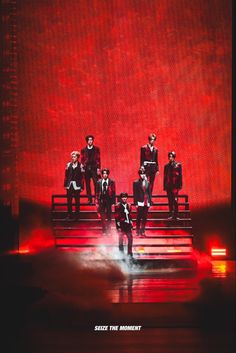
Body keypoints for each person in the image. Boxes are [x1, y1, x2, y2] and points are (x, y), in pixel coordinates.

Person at [64, 151, 84, 219]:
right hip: (69, 185)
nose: (73, 158)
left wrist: (82, 186)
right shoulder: (68, 165)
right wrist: (65, 184)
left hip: (77, 185)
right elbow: (66, 176)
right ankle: (69, 215)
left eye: (74, 157)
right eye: (72, 157)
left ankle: (77, 216)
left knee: (77, 202)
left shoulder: (80, 165)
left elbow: (82, 177)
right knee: (69, 201)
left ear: (77, 158)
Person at [81, 135, 101, 204]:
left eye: (91, 140)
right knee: (87, 184)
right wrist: (82, 168)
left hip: (94, 168)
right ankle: (89, 199)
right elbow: (82, 159)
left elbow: (98, 159)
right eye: (89, 140)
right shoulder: (83, 150)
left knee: (96, 183)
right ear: (87, 141)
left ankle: (96, 198)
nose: (90, 141)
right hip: (86, 169)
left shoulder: (96, 149)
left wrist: (98, 168)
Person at [95, 168, 116, 235]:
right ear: (102, 174)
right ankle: (104, 230)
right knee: (103, 216)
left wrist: (113, 202)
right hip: (101, 201)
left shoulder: (111, 182)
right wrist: (97, 202)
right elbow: (97, 192)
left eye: (106, 173)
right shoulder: (99, 182)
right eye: (103, 173)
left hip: (108, 201)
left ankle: (109, 231)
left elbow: (113, 192)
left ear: (108, 174)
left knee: (109, 216)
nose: (105, 175)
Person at [163, 151, 182, 220]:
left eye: (171, 156)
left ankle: (176, 215)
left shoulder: (178, 165)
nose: (170, 158)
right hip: (168, 186)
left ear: (174, 157)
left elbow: (180, 176)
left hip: (175, 186)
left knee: (175, 201)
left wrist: (180, 185)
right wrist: (164, 186)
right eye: (169, 156)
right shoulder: (166, 166)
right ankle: (171, 214)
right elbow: (165, 177)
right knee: (170, 201)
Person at [133, 168, 152, 237]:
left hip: (146, 202)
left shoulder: (148, 182)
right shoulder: (136, 183)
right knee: (139, 217)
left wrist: (150, 202)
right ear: (139, 175)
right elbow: (135, 194)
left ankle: (143, 231)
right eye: (141, 174)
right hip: (140, 202)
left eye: (144, 174)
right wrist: (136, 203)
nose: (143, 175)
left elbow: (149, 193)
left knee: (144, 217)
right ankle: (137, 231)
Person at [115, 192, 133, 258]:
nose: (124, 198)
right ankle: (121, 253)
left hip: (128, 225)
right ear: (121, 198)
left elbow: (130, 216)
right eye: (123, 197)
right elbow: (116, 217)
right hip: (122, 225)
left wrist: (131, 224)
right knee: (121, 240)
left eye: (125, 197)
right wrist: (118, 227)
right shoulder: (118, 206)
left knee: (130, 239)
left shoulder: (129, 205)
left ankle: (129, 253)